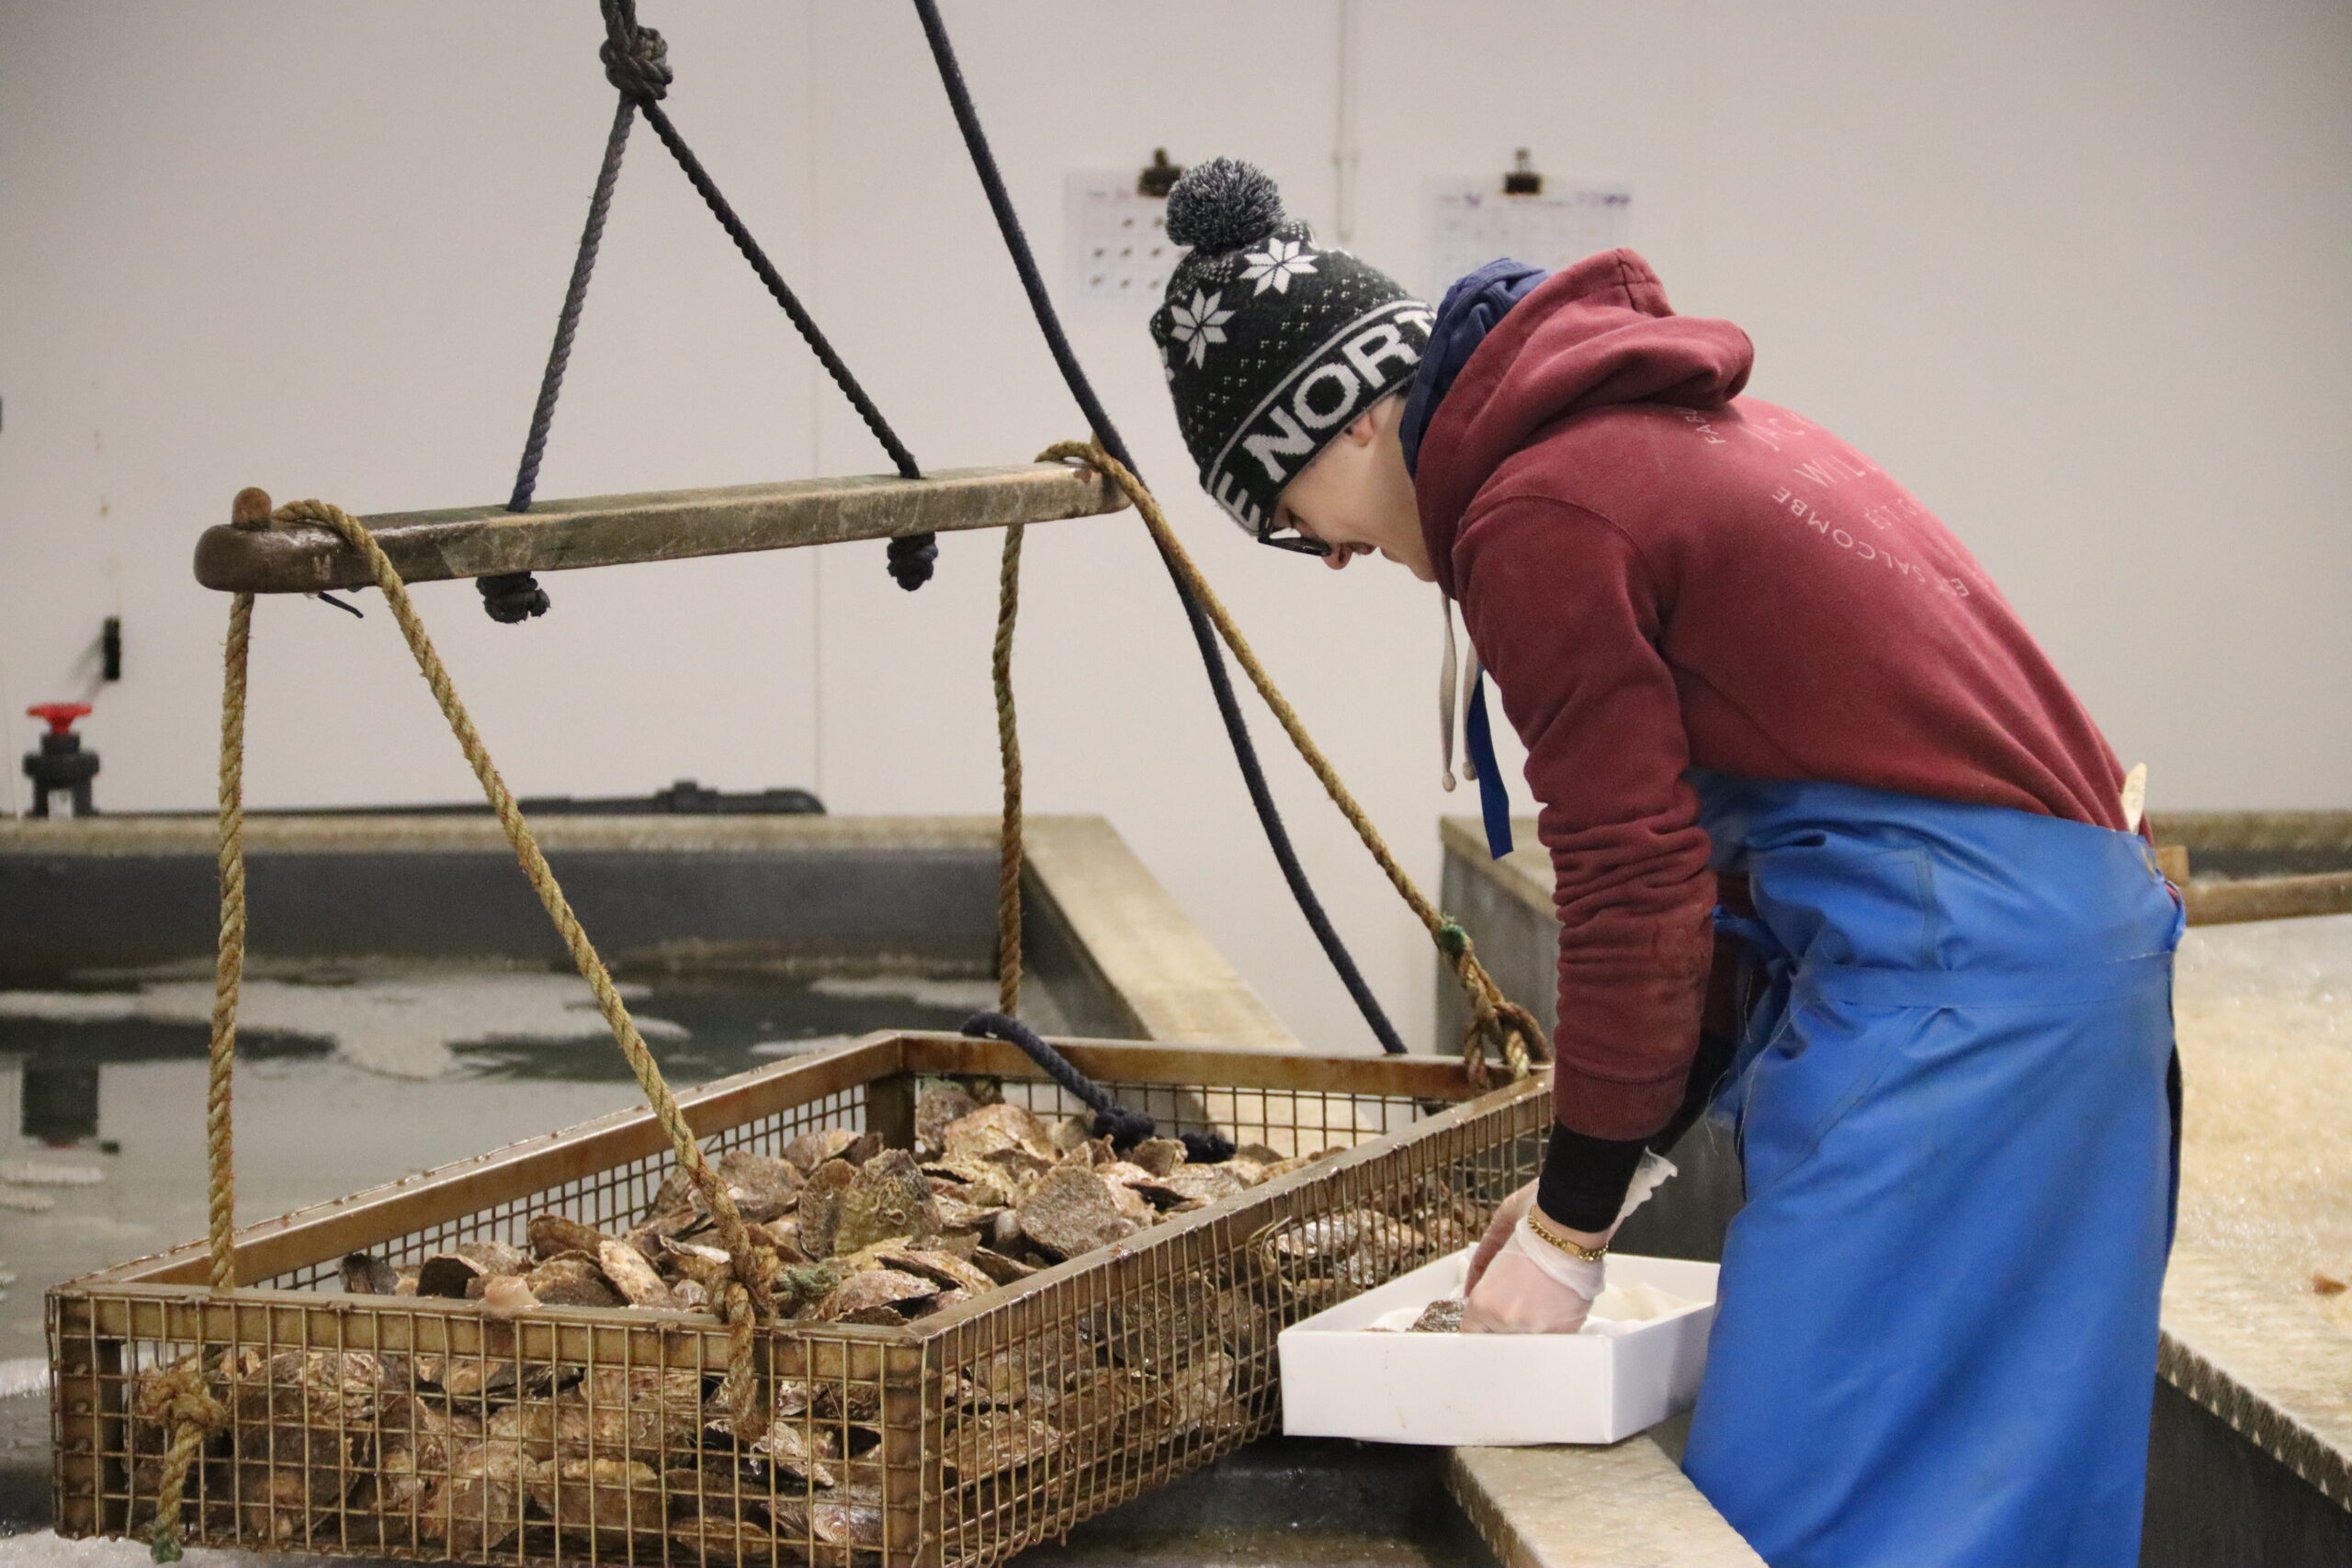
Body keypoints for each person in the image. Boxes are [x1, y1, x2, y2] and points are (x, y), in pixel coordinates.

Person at [1147, 158, 2182, 1568]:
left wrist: (1570, 1243)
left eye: (1280, 522)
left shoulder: (1534, 515)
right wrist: (1607, 1171)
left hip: (1959, 995)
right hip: (2063, 960)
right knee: (2010, 1480)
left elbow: (1639, 895)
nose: (1324, 559)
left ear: (1333, 427)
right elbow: (1734, 874)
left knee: (1802, 1491)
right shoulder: (1663, 437)